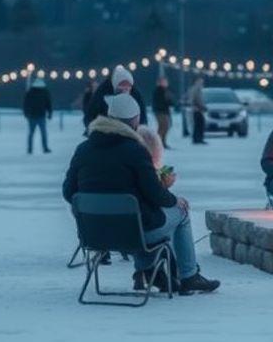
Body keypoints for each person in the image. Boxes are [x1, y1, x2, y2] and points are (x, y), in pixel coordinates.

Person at [62, 92, 220, 295]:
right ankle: (189, 275)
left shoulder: (83, 149)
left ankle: (151, 272)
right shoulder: (135, 151)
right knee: (180, 213)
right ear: (135, 120)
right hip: (134, 234)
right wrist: (174, 199)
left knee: (139, 218)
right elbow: (155, 194)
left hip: (94, 235)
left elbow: (68, 192)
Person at [84, 65, 149, 127]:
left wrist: (141, 129)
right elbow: (90, 114)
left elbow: (142, 115)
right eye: (121, 85)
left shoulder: (135, 93)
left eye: (127, 85)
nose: (125, 88)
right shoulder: (102, 92)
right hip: (105, 130)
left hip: (129, 131)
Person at [23, 78, 54, 154]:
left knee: (33, 133)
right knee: (41, 133)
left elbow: (25, 104)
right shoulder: (44, 92)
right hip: (38, 115)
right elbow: (48, 103)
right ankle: (43, 148)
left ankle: (31, 149)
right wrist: (50, 113)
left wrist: (26, 113)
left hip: (35, 115)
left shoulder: (30, 92)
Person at [152, 76, 176, 149]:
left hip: (163, 111)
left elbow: (169, 101)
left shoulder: (165, 90)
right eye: (163, 82)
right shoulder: (159, 91)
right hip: (160, 111)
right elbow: (163, 101)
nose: (165, 83)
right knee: (163, 126)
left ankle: (161, 142)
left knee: (164, 126)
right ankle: (158, 142)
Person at [188, 76, 207, 145]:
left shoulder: (198, 89)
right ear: (196, 81)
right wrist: (200, 106)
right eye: (200, 81)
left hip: (198, 109)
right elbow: (195, 99)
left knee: (199, 124)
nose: (201, 82)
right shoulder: (196, 89)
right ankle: (198, 138)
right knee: (199, 124)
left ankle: (198, 138)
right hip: (197, 109)